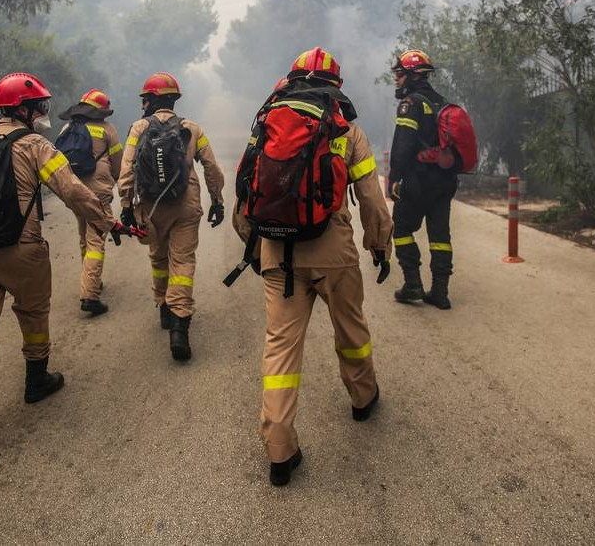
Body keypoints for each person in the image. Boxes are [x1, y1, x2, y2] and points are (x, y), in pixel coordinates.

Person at [231, 47, 393, 486]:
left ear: (293, 79)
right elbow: (373, 201)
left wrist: (256, 243)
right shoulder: (347, 130)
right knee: (351, 330)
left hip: (277, 254)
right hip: (333, 251)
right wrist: (379, 244)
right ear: (335, 88)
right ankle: (363, 398)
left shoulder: (267, 120)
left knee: (281, 347)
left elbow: (244, 191)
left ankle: (280, 448)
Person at [0, 72, 118, 454]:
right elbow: (73, 190)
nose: (43, 112)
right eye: (39, 106)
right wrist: (107, 221)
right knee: (34, 312)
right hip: (21, 248)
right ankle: (36, 380)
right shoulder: (36, 144)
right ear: (23, 110)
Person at [118, 72, 225, 361]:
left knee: (158, 256)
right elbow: (211, 167)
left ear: (151, 101)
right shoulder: (193, 128)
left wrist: (126, 205)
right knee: (183, 261)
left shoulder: (138, 128)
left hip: (151, 207)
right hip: (186, 205)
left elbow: (126, 171)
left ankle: (164, 306)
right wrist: (217, 200)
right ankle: (180, 326)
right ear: (173, 100)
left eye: (145, 99)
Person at [389, 49, 459, 310]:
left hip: (419, 181)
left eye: (399, 74)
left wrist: (395, 179)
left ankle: (413, 284)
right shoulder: (442, 102)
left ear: (413, 75)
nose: (396, 79)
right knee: (440, 235)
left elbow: (403, 146)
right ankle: (440, 292)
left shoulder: (411, 104)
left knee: (402, 229)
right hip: (445, 182)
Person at [56, 89, 123, 316]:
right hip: (98, 191)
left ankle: (90, 280)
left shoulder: (68, 128)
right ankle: (90, 295)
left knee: (84, 234)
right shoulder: (107, 129)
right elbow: (117, 164)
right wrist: (115, 183)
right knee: (96, 239)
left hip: (74, 190)